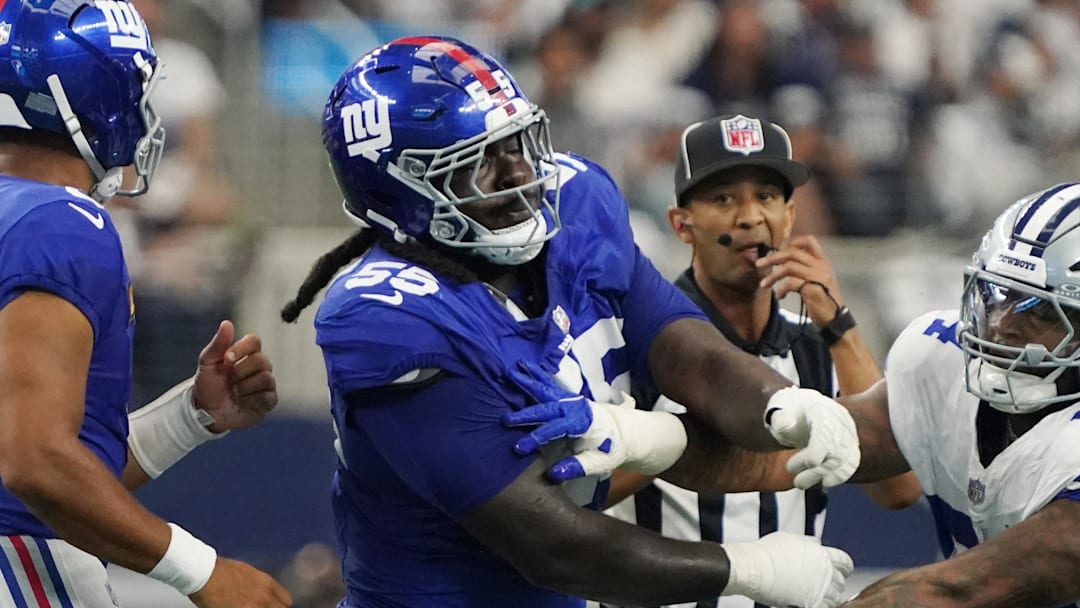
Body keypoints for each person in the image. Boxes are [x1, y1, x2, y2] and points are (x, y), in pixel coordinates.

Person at [280, 35, 859, 607]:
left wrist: (781, 403)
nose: (517, 174)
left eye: (514, 143)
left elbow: (684, 349)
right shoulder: (387, 321)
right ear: (402, 194)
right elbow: (550, 545)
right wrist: (749, 568)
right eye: (479, 163)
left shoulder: (574, 201)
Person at [535, 181, 1080, 606]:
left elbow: (954, 593)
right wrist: (647, 438)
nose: (1003, 326)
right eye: (999, 297)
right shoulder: (941, 358)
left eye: (1038, 312)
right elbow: (781, 458)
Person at [0, 2, 290, 607]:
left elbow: (58, 457)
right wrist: (202, 571)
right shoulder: (64, 222)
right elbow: (33, 464)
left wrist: (191, 415)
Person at [603, 113, 924, 608]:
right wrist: (680, 432)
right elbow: (583, 495)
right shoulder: (645, 342)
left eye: (767, 197)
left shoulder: (812, 344)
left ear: (790, 216)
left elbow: (898, 490)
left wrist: (839, 326)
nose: (750, 216)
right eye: (724, 198)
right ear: (681, 224)